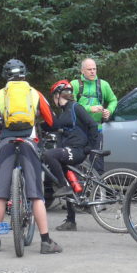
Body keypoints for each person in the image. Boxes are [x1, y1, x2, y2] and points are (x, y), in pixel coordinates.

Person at [0, 59, 61, 254]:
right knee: (36, 195)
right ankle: (46, 241)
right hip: (28, 142)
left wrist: (2, 126)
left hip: (7, 143)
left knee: (0, 195)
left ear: (6, 76)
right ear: (24, 74)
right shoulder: (34, 93)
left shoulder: (0, 95)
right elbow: (52, 122)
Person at [42, 80, 100, 232]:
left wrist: (90, 148)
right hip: (68, 149)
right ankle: (71, 220)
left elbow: (93, 125)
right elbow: (55, 126)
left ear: (58, 95)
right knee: (68, 180)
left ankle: (62, 187)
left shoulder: (75, 107)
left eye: (54, 96)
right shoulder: (64, 111)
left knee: (49, 155)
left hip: (77, 150)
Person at [71, 58, 117, 172]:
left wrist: (109, 111)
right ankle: (75, 187)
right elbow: (70, 106)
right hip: (78, 129)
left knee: (97, 162)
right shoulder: (75, 85)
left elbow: (113, 100)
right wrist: (90, 109)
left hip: (96, 129)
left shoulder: (103, 85)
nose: (92, 71)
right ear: (82, 71)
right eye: (89, 69)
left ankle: (98, 188)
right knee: (75, 162)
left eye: (94, 69)